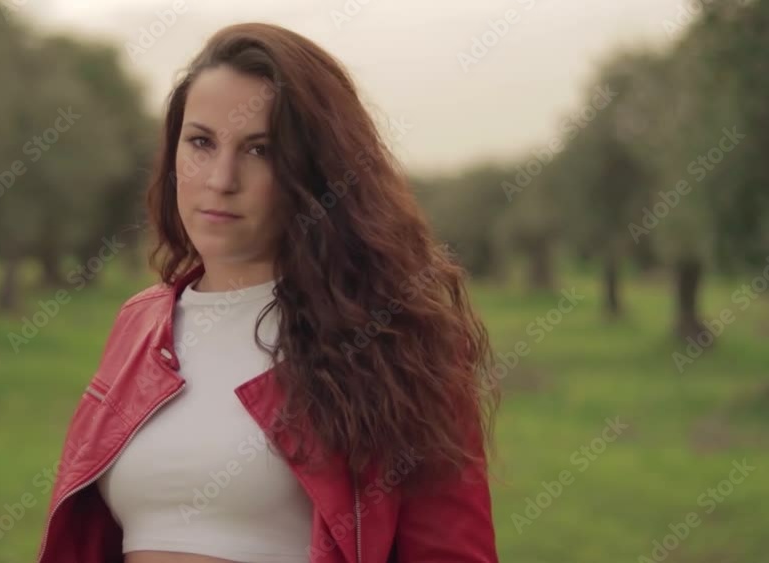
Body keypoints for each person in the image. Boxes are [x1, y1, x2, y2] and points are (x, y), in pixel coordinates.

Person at [36, 22, 499, 563]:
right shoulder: (139, 323)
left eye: (259, 150)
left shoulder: (390, 338)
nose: (221, 178)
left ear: (316, 172)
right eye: (201, 142)